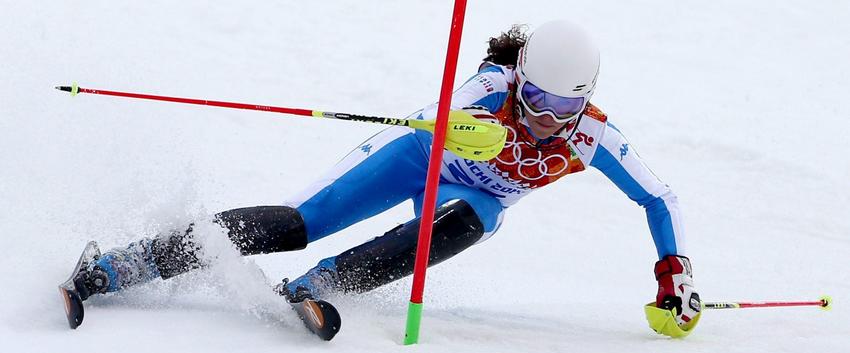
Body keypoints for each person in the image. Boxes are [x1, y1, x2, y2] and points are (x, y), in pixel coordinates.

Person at [68, 20, 700, 335]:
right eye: (534, 99)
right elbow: (426, 118)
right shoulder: (493, 87)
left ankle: (321, 285)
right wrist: (465, 124)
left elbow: (658, 197)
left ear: (584, 100)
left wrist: (675, 275)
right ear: (521, 79)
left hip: (471, 193)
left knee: (467, 224)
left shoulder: (594, 136)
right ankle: (127, 263)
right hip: (414, 158)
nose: (542, 119)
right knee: (296, 224)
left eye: (560, 109)